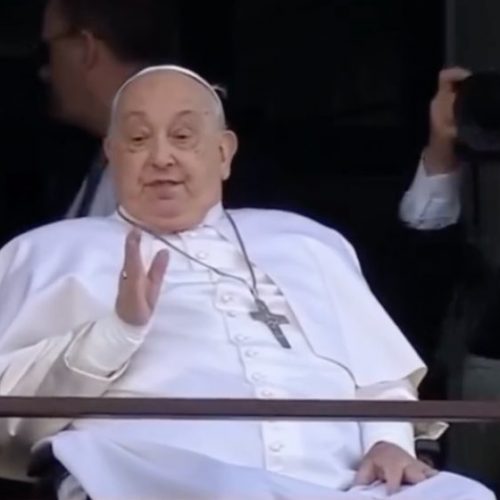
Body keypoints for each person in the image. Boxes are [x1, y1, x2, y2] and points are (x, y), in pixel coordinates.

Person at [0, 65, 493, 500]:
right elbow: (12, 417)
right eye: (138, 139)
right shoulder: (49, 252)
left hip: (344, 486)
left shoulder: (305, 241)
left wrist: (389, 442)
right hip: (166, 482)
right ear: (111, 154)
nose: (161, 157)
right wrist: (115, 333)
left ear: (224, 152)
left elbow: (378, 376)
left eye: (183, 136)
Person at [39, 0, 179, 218]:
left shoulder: (159, 172)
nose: (44, 72)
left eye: (49, 49)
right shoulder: (112, 152)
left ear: (87, 48)